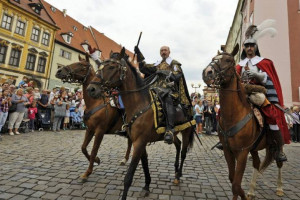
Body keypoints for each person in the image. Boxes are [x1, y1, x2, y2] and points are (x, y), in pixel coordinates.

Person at [234, 37, 289, 161]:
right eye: (247, 45)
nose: (249, 48)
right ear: (244, 48)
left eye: (252, 45)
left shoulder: (265, 62)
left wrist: (257, 75)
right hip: (243, 94)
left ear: (256, 47)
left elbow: (269, 78)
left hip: (258, 93)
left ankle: (278, 148)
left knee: (271, 115)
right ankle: (226, 139)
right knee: (226, 111)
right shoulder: (239, 65)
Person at [135, 45, 192, 144]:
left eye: (165, 50)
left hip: (169, 89)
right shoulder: (157, 64)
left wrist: (165, 72)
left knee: (167, 97)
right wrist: (139, 54)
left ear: (169, 52)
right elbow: (144, 68)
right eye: (161, 50)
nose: (163, 52)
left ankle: (170, 129)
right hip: (154, 88)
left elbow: (177, 74)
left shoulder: (174, 63)